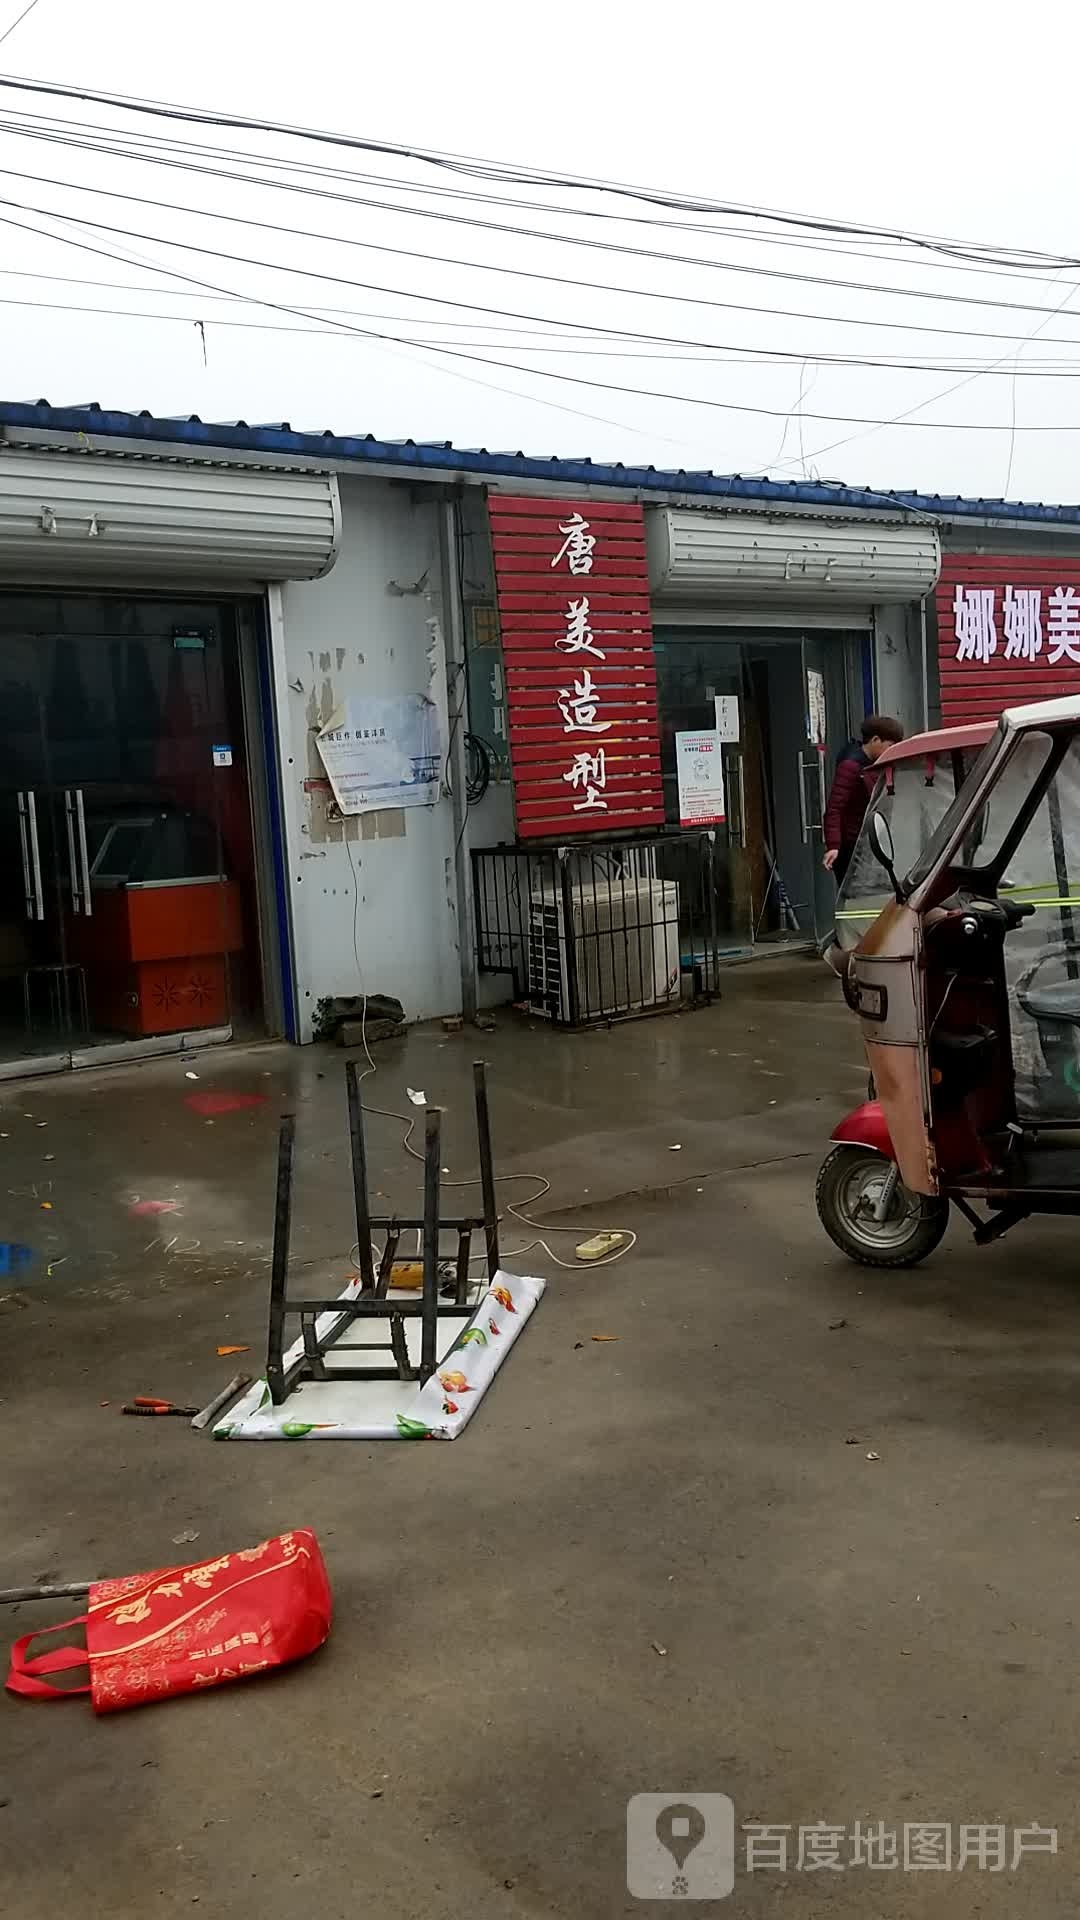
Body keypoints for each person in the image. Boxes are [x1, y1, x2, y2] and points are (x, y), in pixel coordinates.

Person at [822, 714, 905, 883]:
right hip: (851, 845)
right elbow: (835, 808)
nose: (891, 751)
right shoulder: (851, 766)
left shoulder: (874, 764)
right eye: (890, 746)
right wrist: (834, 846)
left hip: (867, 840)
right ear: (875, 740)